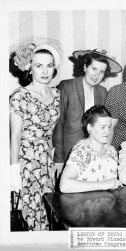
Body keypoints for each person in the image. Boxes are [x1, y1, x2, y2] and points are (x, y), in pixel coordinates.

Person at [9, 37, 63, 231]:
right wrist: (13, 170)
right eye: (39, 66)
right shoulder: (19, 96)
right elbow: (14, 137)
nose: (45, 71)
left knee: (47, 207)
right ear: (29, 68)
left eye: (49, 66)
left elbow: (57, 130)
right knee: (30, 210)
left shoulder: (57, 94)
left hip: (47, 159)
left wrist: (57, 157)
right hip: (26, 159)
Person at [52, 49, 122, 176]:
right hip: (68, 151)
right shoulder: (67, 86)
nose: (97, 75)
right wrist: (59, 158)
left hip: (91, 153)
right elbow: (58, 123)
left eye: (101, 72)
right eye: (94, 69)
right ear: (85, 67)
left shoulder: (102, 92)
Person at [59, 105, 122, 193]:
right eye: (102, 127)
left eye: (109, 127)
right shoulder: (82, 150)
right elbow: (64, 185)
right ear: (89, 128)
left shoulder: (111, 151)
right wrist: (103, 185)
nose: (107, 132)